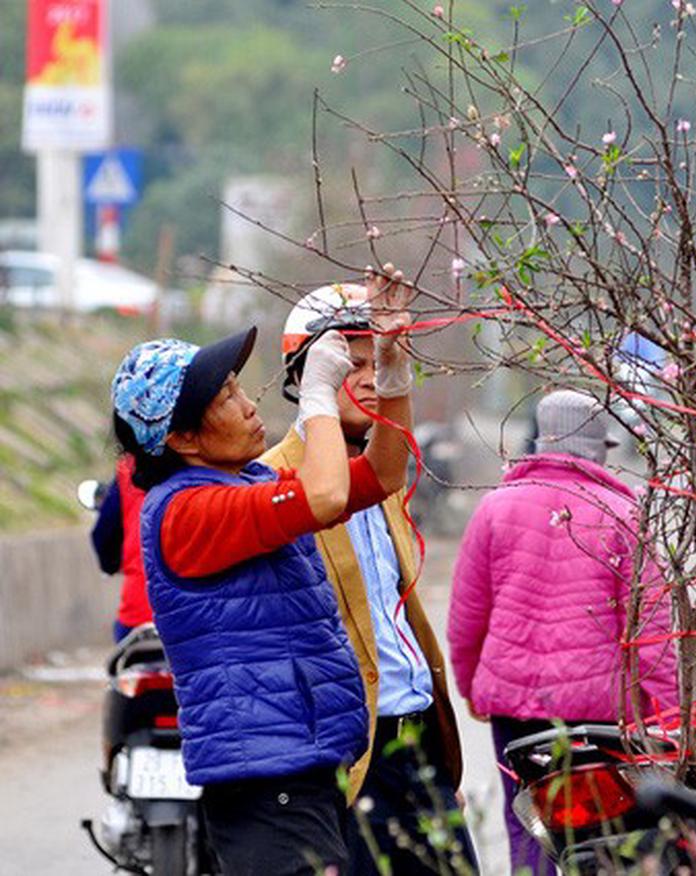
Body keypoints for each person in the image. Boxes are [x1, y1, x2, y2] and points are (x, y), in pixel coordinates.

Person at [110, 266, 414, 875]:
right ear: (183, 438)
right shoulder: (187, 511)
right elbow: (326, 495)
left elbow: (382, 474)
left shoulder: (248, 482)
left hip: (301, 767)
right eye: (226, 398)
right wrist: (319, 395)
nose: (250, 405)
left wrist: (392, 370)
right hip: (265, 780)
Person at [263, 277, 476, 875]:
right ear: (305, 374)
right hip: (349, 755)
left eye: (376, 363)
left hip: (418, 747)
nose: (367, 379)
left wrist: (437, 770)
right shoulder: (271, 484)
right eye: (349, 364)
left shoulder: (384, 481)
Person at [447, 389, 680, 875]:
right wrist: (672, 717)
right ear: (597, 446)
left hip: (514, 705)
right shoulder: (623, 514)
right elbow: (651, 628)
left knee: (528, 825)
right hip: (597, 715)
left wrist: (471, 687)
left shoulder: (495, 507)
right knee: (604, 830)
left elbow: (467, 616)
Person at [90, 454, 150, 642]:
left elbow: (103, 532)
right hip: (213, 618)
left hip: (141, 611)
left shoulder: (130, 467)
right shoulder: (218, 462)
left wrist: (111, 565)